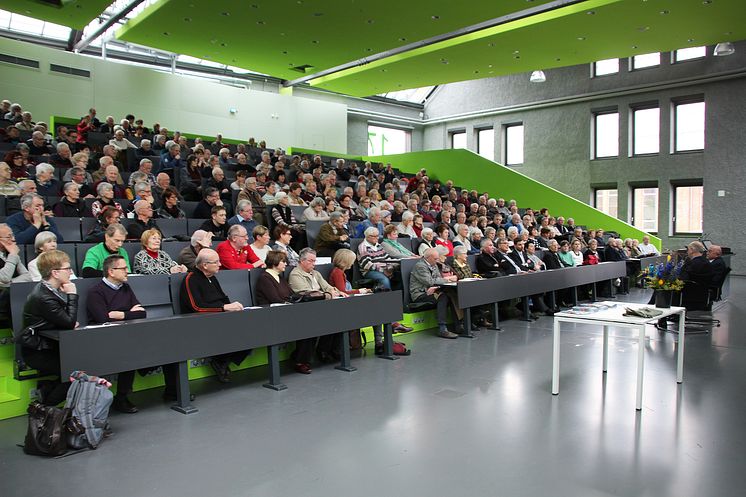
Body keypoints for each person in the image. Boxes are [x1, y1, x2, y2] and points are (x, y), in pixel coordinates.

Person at [86, 254, 147, 413]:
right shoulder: (96, 292)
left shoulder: (125, 287)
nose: (128, 271)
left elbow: (141, 313)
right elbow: (102, 318)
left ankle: (121, 397)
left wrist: (120, 314)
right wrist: (127, 312)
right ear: (111, 272)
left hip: (126, 334)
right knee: (128, 353)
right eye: (124, 268)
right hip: (102, 337)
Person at [19, 250, 77, 406]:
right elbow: (70, 322)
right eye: (67, 268)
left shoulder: (50, 290)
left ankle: (47, 390)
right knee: (76, 373)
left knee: (82, 365)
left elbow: (64, 320)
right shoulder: (44, 296)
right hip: (37, 351)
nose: (71, 271)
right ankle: (46, 406)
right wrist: (72, 294)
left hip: (49, 346)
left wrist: (66, 321)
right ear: (55, 273)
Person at [179, 248, 246, 383]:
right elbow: (196, 307)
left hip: (220, 318)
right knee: (234, 334)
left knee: (250, 333)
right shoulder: (191, 279)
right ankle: (220, 362)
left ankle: (222, 362)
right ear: (204, 265)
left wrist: (232, 307)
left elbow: (223, 298)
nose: (220, 265)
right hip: (201, 321)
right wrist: (223, 308)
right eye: (216, 262)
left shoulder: (213, 278)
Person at [288, 248, 346, 372]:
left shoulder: (316, 273)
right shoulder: (295, 274)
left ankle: (326, 350)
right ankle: (301, 360)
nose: (314, 264)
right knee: (311, 327)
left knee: (340, 320)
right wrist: (327, 294)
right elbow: (306, 293)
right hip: (305, 310)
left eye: (315, 261)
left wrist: (334, 291)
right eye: (311, 261)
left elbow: (328, 287)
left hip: (322, 307)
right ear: (302, 261)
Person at [409, 247, 460, 339]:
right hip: (420, 294)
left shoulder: (434, 265)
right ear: (428, 258)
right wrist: (447, 279)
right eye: (435, 259)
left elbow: (437, 279)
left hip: (432, 291)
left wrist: (438, 285)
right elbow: (429, 281)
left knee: (452, 294)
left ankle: (459, 325)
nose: (437, 261)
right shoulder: (420, 266)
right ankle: (442, 329)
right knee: (443, 297)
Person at [680, 241, 714, 311]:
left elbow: (683, 277)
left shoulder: (693, 264)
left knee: (663, 288)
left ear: (692, 250)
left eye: (688, 250)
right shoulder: (705, 262)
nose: (687, 252)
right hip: (702, 291)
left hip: (691, 291)